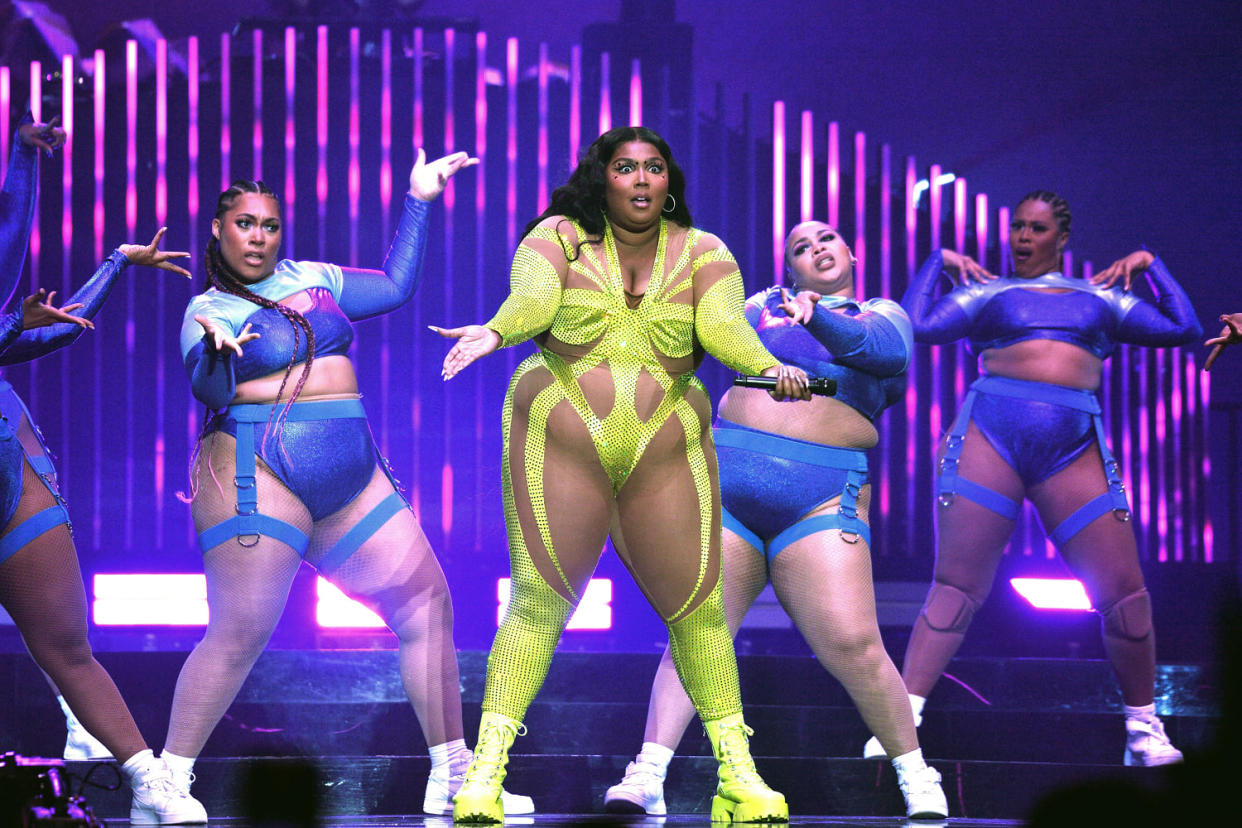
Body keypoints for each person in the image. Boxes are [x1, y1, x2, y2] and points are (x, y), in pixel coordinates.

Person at [434, 125, 807, 825]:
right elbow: (534, 301)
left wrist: (764, 366)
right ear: (602, 177)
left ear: (669, 183)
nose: (640, 180)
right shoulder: (558, 237)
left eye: (654, 168)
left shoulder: (705, 252)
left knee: (698, 610)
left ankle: (738, 775)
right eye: (626, 167)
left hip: (664, 442)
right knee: (538, 604)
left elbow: (725, 329)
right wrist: (496, 330)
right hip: (561, 431)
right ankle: (482, 776)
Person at [168, 149, 532, 818]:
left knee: (428, 605)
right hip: (258, 467)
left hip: (349, 472)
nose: (258, 236)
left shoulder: (314, 277)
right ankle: (167, 779)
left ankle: (453, 774)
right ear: (219, 230)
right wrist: (220, 357)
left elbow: (395, 287)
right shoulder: (206, 308)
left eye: (270, 225)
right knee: (241, 630)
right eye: (245, 223)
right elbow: (208, 387)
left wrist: (419, 198)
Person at [604, 220, 948, 819]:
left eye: (826, 239)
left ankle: (916, 776)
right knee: (696, 634)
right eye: (799, 246)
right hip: (727, 487)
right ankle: (648, 774)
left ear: (851, 251)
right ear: (787, 266)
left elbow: (881, 354)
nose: (815, 248)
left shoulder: (881, 313)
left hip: (818, 495)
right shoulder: (762, 306)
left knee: (854, 643)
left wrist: (814, 316)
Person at [866, 190, 1199, 766]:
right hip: (989, 435)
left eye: (1037, 228)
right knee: (955, 589)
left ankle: (1144, 731)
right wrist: (938, 262)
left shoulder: (1102, 297)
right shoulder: (986, 292)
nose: (1022, 237)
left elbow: (1183, 327)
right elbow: (915, 324)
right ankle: (900, 722)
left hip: (1071, 444)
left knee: (1126, 598)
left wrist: (1150, 264)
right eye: (1017, 226)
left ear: (1061, 238)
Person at [0, 116, 209, 824]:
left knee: (65, 645)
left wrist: (116, 262)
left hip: (10, 472)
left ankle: (148, 781)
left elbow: (46, 324)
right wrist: (11, 328)